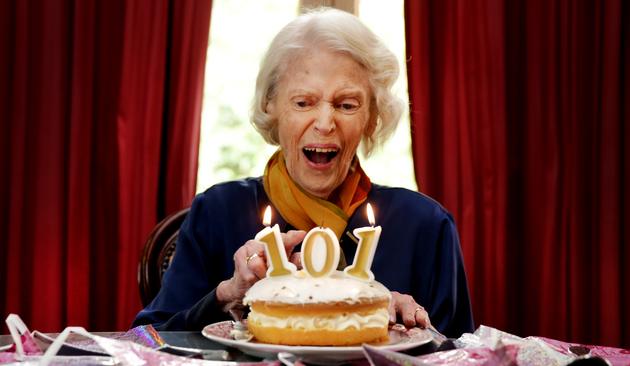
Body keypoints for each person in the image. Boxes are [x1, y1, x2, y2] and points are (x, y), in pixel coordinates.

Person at [133, 8, 474, 338]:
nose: (325, 124)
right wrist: (225, 296)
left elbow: (469, 356)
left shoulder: (427, 226)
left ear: (372, 117)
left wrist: (417, 330)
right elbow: (144, 341)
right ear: (272, 106)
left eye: (347, 105)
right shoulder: (216, 211)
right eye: (303, 102)